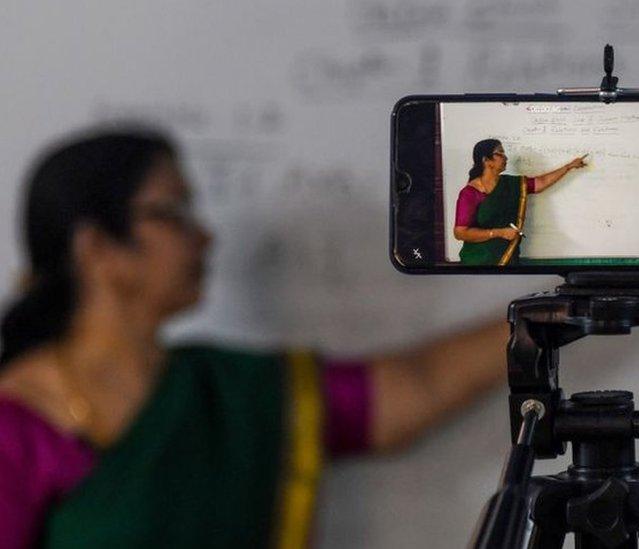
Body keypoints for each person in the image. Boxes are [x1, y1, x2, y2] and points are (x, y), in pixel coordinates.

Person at [0, 128, 511, 548]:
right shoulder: (17, 423)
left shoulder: (235, 391)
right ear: (97, 248)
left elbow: (416, 386)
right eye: (171, 212)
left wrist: (554, 313)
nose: (204, 236)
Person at [453, 139, 587, 266]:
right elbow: (460, 233)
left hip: (509, 257)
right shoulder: (470, 193)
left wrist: (569, 167)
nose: (505, 157)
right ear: (486, 160)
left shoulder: (513, 184)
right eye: (500, 153)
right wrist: (498, 233)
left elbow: (541, 183)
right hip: (478, 263)